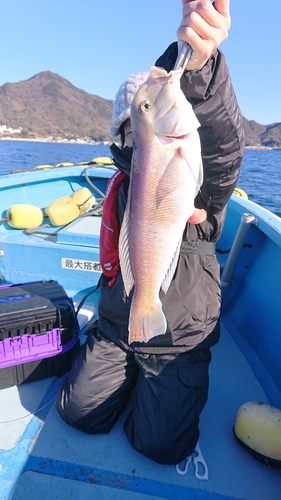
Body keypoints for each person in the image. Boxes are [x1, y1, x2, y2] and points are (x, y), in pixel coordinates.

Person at [56, 0, 245, 465]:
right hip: (121, 322)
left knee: (160, 445)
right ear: (123, 137)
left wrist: (199, 65)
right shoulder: (125, 180)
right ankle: (127, 365)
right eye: (130, 123)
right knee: (77, 412)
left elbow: (221, 155)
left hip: (181, 332)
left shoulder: (193, 166)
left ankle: (159, 377)